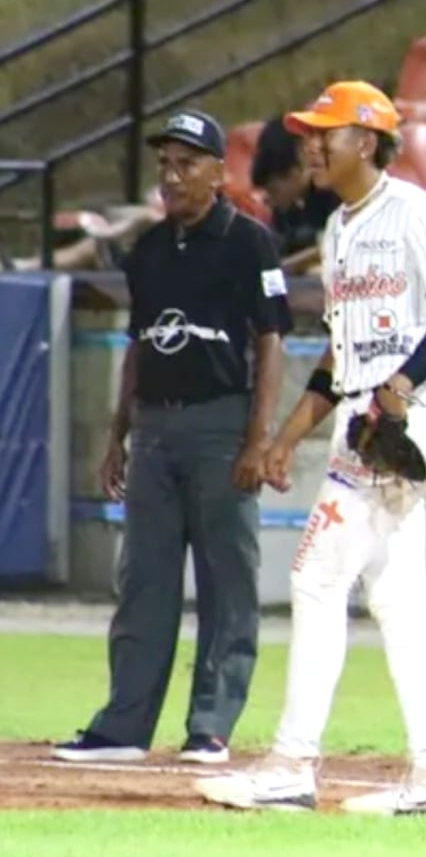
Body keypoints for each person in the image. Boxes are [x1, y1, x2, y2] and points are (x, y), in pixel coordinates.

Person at [196, 80, 426, 814]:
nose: (311, 144)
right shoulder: (340, 230)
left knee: (317, 578)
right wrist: (285, 438)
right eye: (310, 132)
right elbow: (338, 355)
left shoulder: (412, 211)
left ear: (367, 138)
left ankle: (292, 764)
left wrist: (399, 385)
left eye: (326, 131)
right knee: (397, 601)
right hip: (363, 417)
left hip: (401, 419)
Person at [52, 109, 292, 766]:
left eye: (187, 162)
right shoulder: (150, 251)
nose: (172, 175)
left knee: (226, 581)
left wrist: (258, 437)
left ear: (219, 171)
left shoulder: (250, 242)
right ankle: (124, 725)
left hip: (221, 424)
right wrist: (117, 433)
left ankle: (210, 724)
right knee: (143, 583)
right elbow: (138, 345)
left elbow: (271, 341)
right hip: (155, 428)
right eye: (164, 162)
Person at [251, 115, 340, 273]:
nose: (270, 200)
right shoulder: (286, 211)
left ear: (294, 173)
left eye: (274, 190)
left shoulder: (338, 190)